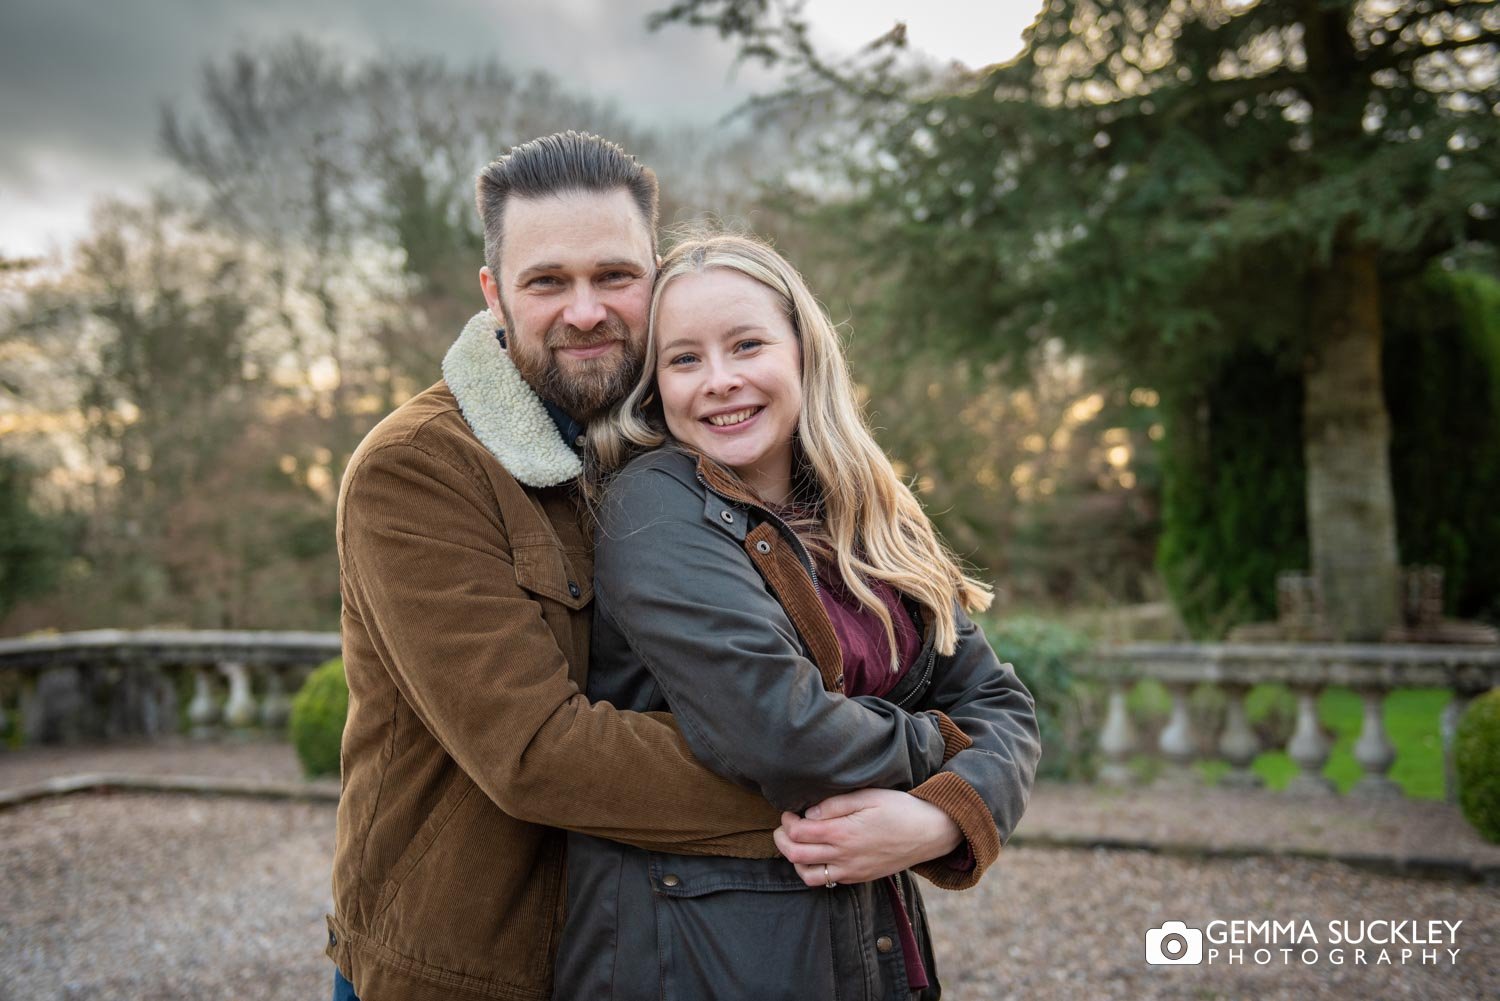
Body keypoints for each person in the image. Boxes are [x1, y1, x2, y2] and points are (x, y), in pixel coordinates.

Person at [328, 133, 977, 1001]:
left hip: (649, 947)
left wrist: (944, 811)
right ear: (495, 295)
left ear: (657, 275)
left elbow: (966, 677)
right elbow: (537, 751)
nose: (586, 310)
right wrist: (902, 781)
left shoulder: (705, 433)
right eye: (547, 281)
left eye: (614, 276)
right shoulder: (417, 470)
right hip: (469, 961)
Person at [555, 232, 1042, 999]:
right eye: (684, 360)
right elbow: (784, 733)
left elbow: (1002, 704)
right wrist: (944, 749)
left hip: (868, 938)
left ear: (804, 352)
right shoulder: (657, 506)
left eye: (746, 344)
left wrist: (941, 822)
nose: (719, 380)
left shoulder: (874, 515)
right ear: (656, 387)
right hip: (704, 957)